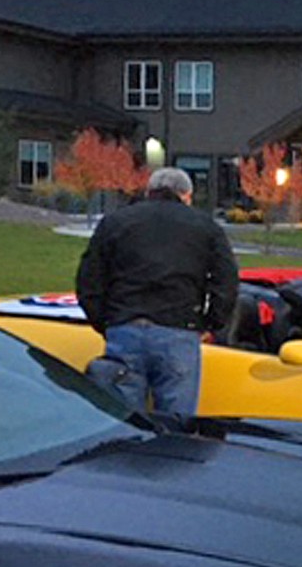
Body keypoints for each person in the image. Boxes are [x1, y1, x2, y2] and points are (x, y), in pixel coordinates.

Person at [76, 166, 238, 417]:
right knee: (176, 422)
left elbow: (89, 280)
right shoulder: (206, 228)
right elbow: (226, 282)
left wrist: (105, 321)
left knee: (125, 421)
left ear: (149, 191)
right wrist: (211, 323)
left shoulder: (116, 222)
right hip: (178, 330)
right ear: (186, 195)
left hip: (125, 327)